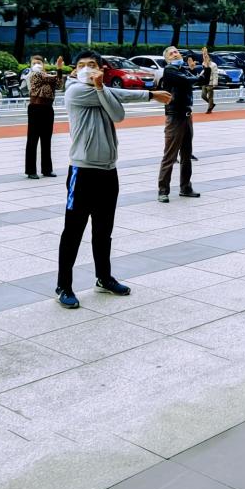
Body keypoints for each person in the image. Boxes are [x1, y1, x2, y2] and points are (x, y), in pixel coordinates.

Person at [56, 50, 172, 308]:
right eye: (82, 65)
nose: (87, 69)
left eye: (92, 64)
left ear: (102, 69)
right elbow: (118, 100)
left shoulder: (102, 92)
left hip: (108, 171)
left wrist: (102, 89)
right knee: (73, 231)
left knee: (103, 229)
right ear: (74, 70)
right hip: (82, 171)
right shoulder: (74, 91)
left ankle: (104, 278)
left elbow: (117, 114)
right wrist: (150, 95)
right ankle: (63, 285)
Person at [157, 45, 211, 202]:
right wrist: (198, 74)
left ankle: (186, 187)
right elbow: (188, 81)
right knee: (170, 155)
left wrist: (206, 67)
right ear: (167, 59)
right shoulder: (170, 70)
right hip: (175, 117)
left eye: (176, 52)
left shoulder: (183, 69)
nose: (175, 54)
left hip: (187, 116)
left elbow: (203, 80)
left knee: (187, 155)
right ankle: (163, 190)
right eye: (171, 53)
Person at [25, 54, 65, 179]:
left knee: (46, 139)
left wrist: (59, 70)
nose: (37, 65)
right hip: (35, 108)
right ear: (30, 65)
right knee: (32, 139)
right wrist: (58, 70)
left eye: (39, 63)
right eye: (34, 63)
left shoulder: (47, 76)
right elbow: (53, 79)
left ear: (43, 64)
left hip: (48, 108)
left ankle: (47, 169)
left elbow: (59, 85)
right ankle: (31, 170)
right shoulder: (33, 75)